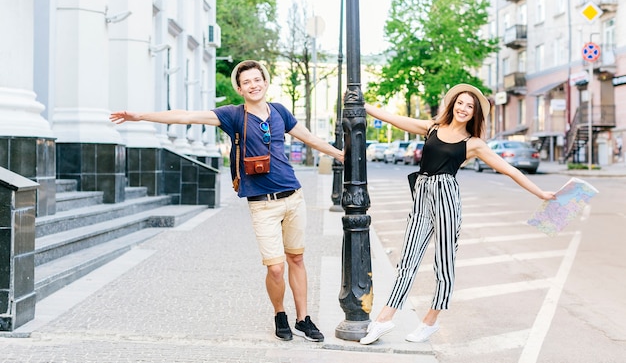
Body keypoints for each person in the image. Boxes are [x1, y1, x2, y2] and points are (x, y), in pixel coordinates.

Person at [110, 60, 344, 343]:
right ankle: (280, 313)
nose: (253, 85)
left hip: (293, 197)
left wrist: (341, 155)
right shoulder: (233, 115)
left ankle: (303, 319)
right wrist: (141, 117)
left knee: (296, 258)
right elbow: (185, 116)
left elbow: (309, 138)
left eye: (257, 80)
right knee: (275, 267)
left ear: (266, 82)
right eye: (247, 82)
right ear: (239, 88)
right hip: (262, 204)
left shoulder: (280, 111)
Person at [359, 84, 555, 345]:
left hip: (446, 196)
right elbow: (396, 119)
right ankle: (384, 319)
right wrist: (362, 105)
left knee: (444, 262)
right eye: (460, 103)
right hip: (422, 194)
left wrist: (541, 193)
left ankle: (430, 321)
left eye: (470, 106)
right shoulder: (432, 128)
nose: (464, 108)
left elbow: (510, 170)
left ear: (475, 114)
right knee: (408, 259)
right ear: (452, 105)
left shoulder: (473, 144)